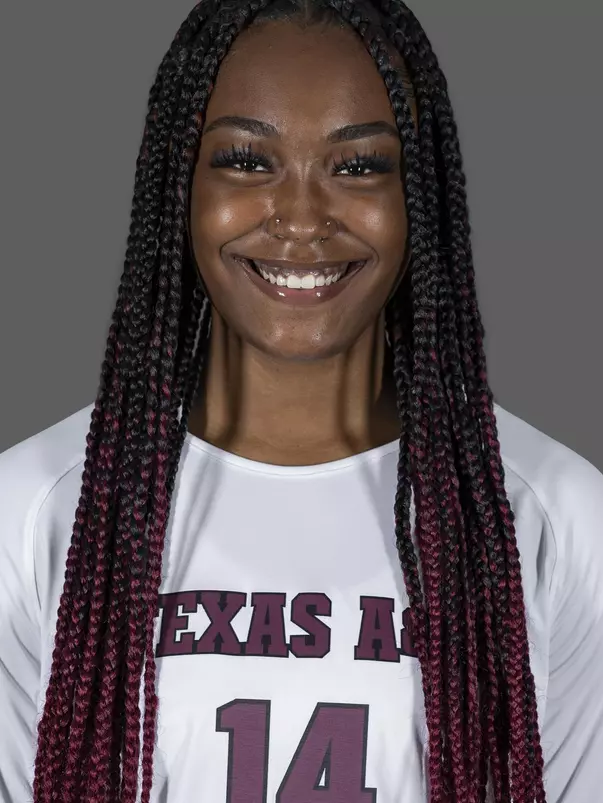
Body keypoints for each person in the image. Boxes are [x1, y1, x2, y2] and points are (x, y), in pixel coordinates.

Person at [1, 0, 602, 801]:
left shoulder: (550, 514)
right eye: (247, 160)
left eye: (358, 167)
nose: (301, 218)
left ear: (419, 197)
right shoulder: (36, 509)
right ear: (178, 184)